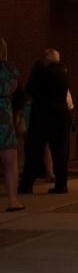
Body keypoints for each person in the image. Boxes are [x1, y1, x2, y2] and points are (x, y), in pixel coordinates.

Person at [18, 49, 71, 194]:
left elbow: (29, 90)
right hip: (60, 116)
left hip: (41, 116)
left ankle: (26, 185)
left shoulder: (40, 72)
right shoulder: (63, 74)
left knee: (33, 151)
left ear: (47, 58)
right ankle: (62, 184)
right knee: (60, 151)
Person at [0, 38, 24, 212]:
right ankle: (13, 201)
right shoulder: (9, 67)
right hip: (4, 115)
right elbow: (15, 88)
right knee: (10, 160)